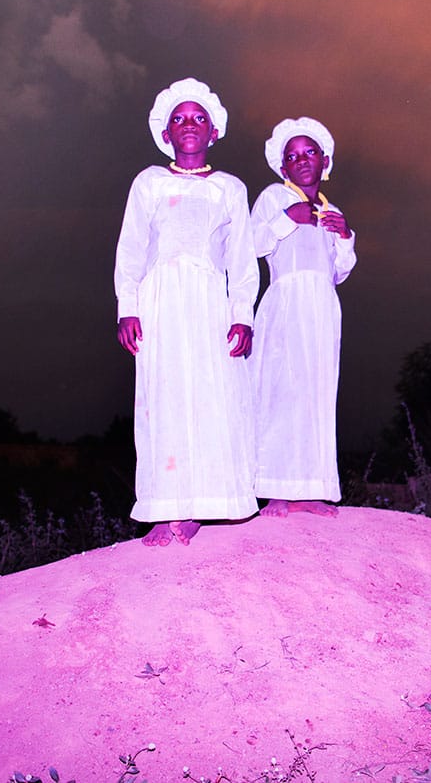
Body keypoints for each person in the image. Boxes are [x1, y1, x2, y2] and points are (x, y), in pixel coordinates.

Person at [114, 78, 259, 546]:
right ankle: (164, 507)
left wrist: (242, 314)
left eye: (199, 118)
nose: (189, 125)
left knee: (211, 397)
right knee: (163, 399)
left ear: (214, 130)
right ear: (166, 132)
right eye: (180, 118)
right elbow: (131, 250)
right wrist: (127, 307)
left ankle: (203, 505)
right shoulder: (149, 183)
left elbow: (241, 260)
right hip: (160, 304)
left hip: (209, 303)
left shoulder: (229, 189)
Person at [250, 117, 355, 517]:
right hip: (286, 302)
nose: (302, 160)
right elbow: (254, 243)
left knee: (315, 392)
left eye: (309, 152)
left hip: (322, 308)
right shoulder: (274, 198)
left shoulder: (332, 210)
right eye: (292, 156)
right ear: (282, 167)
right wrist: (285, 219)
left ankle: (310, 488)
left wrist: (344, 235)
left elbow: (340, 270)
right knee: (282, 390)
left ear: (324, 160)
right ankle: (276, 488)